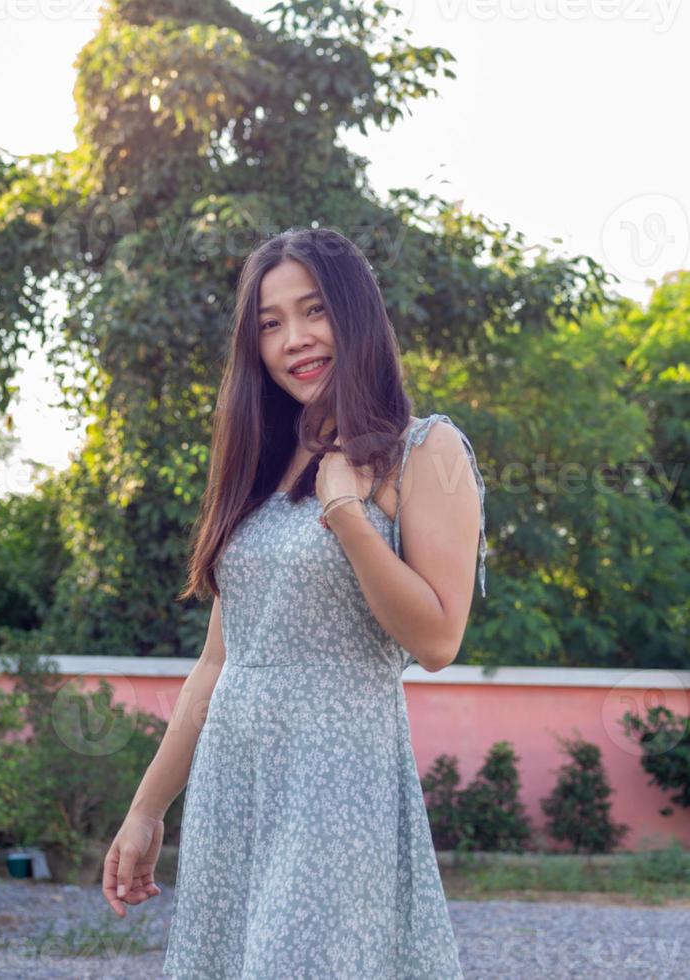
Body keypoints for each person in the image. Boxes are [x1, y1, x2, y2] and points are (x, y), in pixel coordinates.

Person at [102, 227, 488, 978]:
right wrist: (146, 811)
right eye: (270, 324)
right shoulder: (264, 462)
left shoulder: (423, 450)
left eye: (314, 312)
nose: (294, 340)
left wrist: (346, 515)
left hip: (335, 786)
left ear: (357, 316)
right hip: (231, 786)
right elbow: (219, 662)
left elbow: (439, 639)